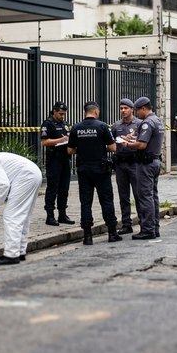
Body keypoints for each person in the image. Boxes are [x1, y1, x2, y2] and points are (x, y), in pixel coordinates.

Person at [67, 101, 121, 245]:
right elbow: (113, 147)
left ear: (85, 112)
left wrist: (83, 149)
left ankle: (87, 236)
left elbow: (70, 150)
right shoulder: (102, 126)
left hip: (84, 169)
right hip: (101, 169)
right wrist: (100, 147)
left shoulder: (76, 128)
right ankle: (112, 233)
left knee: (85, 202)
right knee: (106, 200)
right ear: (96, 112)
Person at [120, 96, 163, 240]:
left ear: (143, 108)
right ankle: (155, 227)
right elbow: (147, 140)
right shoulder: (157, 120)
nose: (137, 113)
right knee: (153, 196)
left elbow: (142, 145)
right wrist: (133, 139)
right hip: (155, 161)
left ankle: (148, 229)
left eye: (137, 110)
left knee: (145, 197)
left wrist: (128, 144)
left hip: (146, 164)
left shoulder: (147, 123)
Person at [40, 101, 75, 226]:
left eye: (64, 114)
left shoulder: (64, 124)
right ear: (54, 111)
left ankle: (62, 214)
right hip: (54, 159)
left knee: (64, 188)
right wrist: (60, 140)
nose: (62, 116)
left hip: (65, 159)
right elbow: (44, 142)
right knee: (52, 188)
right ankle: (50, 215)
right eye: (60, 114)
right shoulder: (48, 123)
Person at [111, 98, 141, 235]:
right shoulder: (116, 125)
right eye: (121, 108)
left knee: (138, 194)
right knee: (123, 196)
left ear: (132, 109)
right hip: (120, 163)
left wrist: (132, 140)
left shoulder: (139, 124)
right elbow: (111, 143)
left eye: (126, 108)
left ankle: (143, 222)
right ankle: (126, 224)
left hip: (134, 163)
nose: (123, 111)